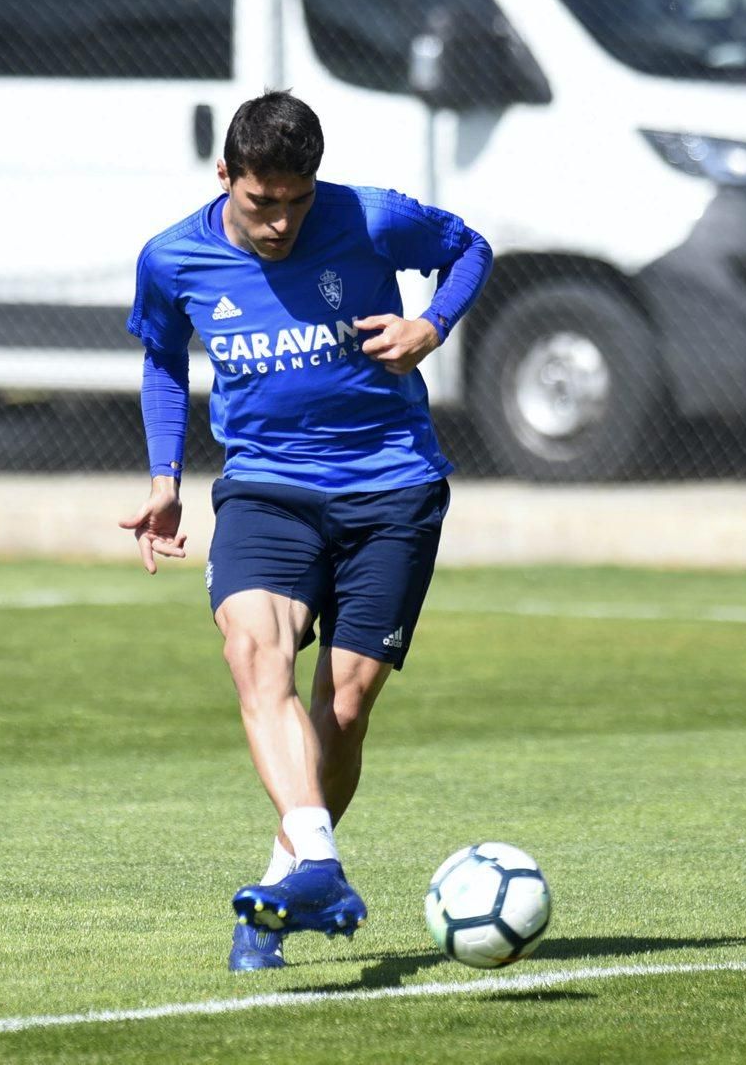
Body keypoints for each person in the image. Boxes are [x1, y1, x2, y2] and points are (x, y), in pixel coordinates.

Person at [120, 90, 493, 972]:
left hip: (392, 486)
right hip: (266, 489)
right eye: (261, 202)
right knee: (255, 655)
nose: (282, 220)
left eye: (296, 199)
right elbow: (163, 360)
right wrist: (166, 482)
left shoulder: (370, 217)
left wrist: (431, 324)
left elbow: (469, 248)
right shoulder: (172, 257)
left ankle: (282, 884)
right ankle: (321, 861)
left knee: (347, 705)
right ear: (225, 176)